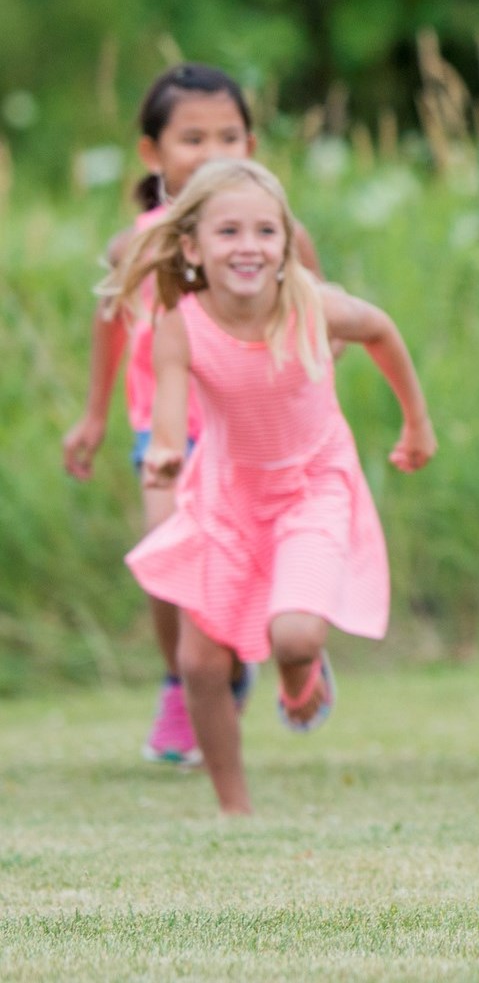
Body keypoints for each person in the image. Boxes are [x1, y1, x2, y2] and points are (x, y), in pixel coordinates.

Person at [106, 159, 435, 815]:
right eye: (229, 232)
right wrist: (165, 456)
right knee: (199, 663)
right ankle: (236, 809)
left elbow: (380, 329)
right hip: (226, 497)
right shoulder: (181, 322)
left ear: (287, 245)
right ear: (193, 247)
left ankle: (297, 676)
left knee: (293, 635)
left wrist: (417, 422)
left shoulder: (313, 306)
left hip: (314, 486)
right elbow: (168, 419)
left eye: (266, 231)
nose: (249, 246)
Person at [61, 64, 322, 767]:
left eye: (229, 136)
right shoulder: (138, 244)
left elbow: (320, 323)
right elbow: (111, 322)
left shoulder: (276, 237)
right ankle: (187, 679)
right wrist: (92, 416)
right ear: (152, 154)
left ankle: (283, 650)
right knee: (163, 559)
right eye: (192, 138)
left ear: (253, 141)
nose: (212, 152)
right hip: (166, 431)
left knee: (263, 561)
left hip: (259, 433)